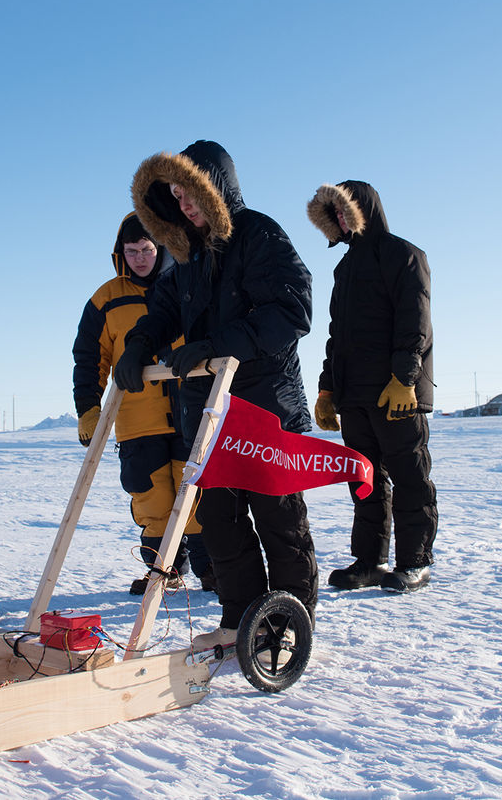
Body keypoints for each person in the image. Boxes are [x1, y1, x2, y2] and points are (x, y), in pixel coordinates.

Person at [114, 140, 317, 649]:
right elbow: (161, 312)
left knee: (278, 520)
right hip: (210, 411)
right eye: (177, 197)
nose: (184, 206)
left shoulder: (259, 233)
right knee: (221, 522)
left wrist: (214, 345)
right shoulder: (185, 252)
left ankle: (290, 623)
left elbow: (292, 311)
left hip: (265, 407)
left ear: (217, 189)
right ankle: (238, 621)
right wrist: (138, 346)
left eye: (192, 194)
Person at [72, 212, 214, 595]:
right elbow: (89, 357)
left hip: (192, 413)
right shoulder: (106, 299)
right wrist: (88, 406)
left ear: (162, 247)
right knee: (153, 499)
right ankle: (163, 572)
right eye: (131, 251)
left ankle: (212, 572)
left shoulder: (187, 285)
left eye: (147, 249)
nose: (139, 258)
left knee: (195, 496)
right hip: (138, 421)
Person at [306, 180, 438, 593]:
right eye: (335, 215)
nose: (342, 220)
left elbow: (414, 323)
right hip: (355, 394)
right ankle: (370, 561)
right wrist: (328, 389)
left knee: (409, 475)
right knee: (364, 480)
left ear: (365, 209)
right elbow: (336, 336)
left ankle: (415, 561)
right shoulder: (344, 268)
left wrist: (405, 379)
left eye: (346, 210)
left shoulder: (404, 255)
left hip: (396, 393)